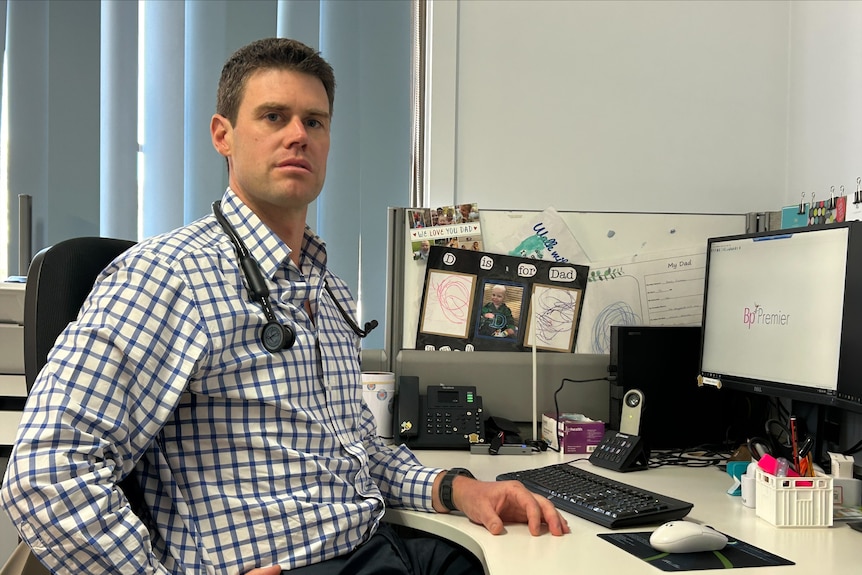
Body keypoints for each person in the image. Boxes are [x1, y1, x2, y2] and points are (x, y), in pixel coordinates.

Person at [0, 38, 567, 575]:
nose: (298, 135)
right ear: (223, 135)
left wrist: (458, 487)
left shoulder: (327, 290)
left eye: (314, 122)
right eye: (273, 117)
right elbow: (46, 472)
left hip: (373, 546)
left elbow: (356, 448)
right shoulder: (169, 277)